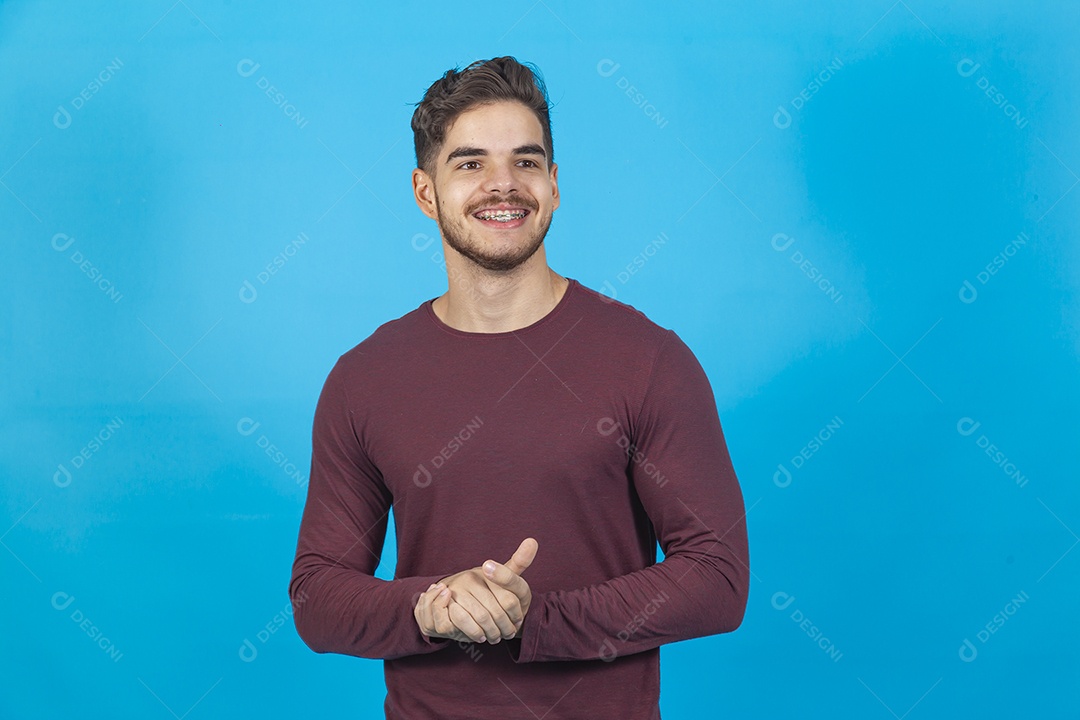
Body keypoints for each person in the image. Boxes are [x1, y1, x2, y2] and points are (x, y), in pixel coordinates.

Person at [289, 55, 750, 719]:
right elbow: (317, 596)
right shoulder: (364, 378)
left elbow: (718, 576)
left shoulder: (649, 360)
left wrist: (537, 620)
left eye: (526, 162)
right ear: (425, 192)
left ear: (555, 185)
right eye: (470, 163)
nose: (503, 186)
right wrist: (430, 608)